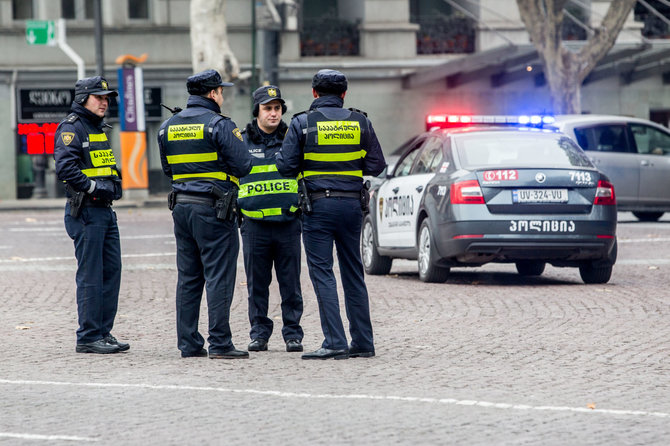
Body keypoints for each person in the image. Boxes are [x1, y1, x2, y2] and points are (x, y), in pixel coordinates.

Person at [276, 69, 386, 360]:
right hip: (352, 206)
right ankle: (363, 342)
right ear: (343, 94)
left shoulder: (302, 123)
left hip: (318, 207)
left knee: (323, 273)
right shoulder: (360, 121)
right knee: (353, 273)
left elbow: (285, 167)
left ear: (314, 93)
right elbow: (377, 165)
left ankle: (335, 341)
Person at [158, 69, 253, 359]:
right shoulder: (219, 124)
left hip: (182, 207)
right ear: (212, 93)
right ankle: (221, 343)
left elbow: (166, 169)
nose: (222, 95)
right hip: (214, 209)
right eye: (221, 90)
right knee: (218, 275)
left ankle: (188, 343)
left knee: (188, 277)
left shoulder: (168, 126)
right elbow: (244, 165)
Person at [54, 75, 128, 354]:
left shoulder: (97, 128)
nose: (105, 103)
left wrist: (113, 183)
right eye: (99, 98)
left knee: (112, 272)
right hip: (85, 211)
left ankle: (102, 332)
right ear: (83, 99)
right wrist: (95, 187)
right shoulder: (71, 128)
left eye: (107, 98)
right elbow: (66, 168)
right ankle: (87, 336)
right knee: (91, 275)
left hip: (104, 211)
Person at [239, 85, 304, 353]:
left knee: (291, 283)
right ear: (257, 111)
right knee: (257, 285)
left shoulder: (293, 138)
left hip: (288, 223)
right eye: (268, 108)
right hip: (254, 225)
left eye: (277, 108)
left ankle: (292, 334)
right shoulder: (241, 141)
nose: (273, 113)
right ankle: (259, 334)